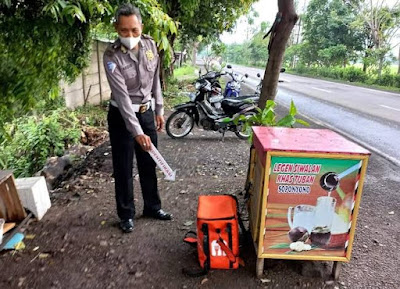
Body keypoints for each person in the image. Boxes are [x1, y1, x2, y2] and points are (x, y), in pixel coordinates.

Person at [103, 3, 172, 233]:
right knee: (123, 166)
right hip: (122, 117)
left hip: (146, 113)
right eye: (124, 31)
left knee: (148, 161)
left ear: (141, 26)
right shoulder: (111, 56)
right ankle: (126, 214)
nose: (130, 35)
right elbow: (122, 99)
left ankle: (152, 207)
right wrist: (138, 133)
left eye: (134, 30)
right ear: (116, 28)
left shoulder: (151, 45)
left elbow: (155, 81)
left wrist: (159, 110)